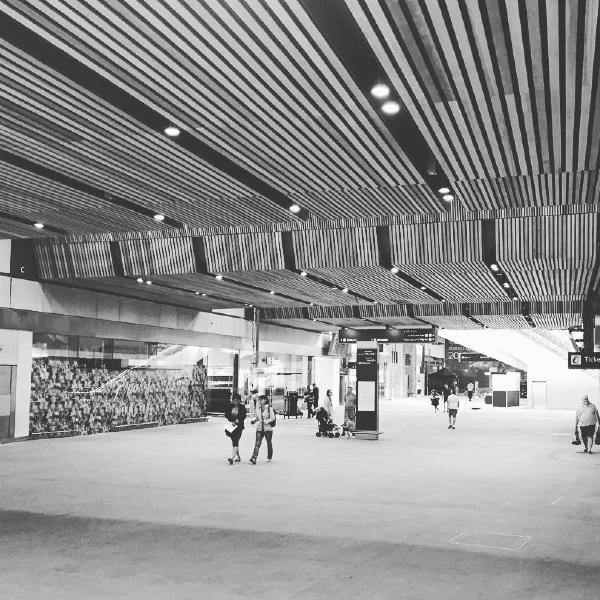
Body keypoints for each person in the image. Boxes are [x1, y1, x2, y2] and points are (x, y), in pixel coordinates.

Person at [250, 395, 276, 464]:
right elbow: (259, 418)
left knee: (268, 442)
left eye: (261, 400)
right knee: (257, 443)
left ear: (265, 400)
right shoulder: (259, 409)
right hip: (260, 427)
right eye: (259, 400)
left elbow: (273, 418)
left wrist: (266, 421)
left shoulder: (269, 408)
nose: (259, 401)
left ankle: (269, 457)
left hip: (268, 428)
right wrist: (254, 421)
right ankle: (254, 457)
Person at [224, 392, 246, 465]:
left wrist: (237, 421)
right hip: (231, 427)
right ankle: (238, 457)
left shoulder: (242, 407)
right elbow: (226, 414)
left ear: (239, 400)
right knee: (235, 442)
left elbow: (243, 416)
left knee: (236, 441)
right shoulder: (229, 406)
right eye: (234, 400)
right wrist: (232, 421)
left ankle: (232, 458)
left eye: (237, 400)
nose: (235, 401)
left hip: (239, 427)